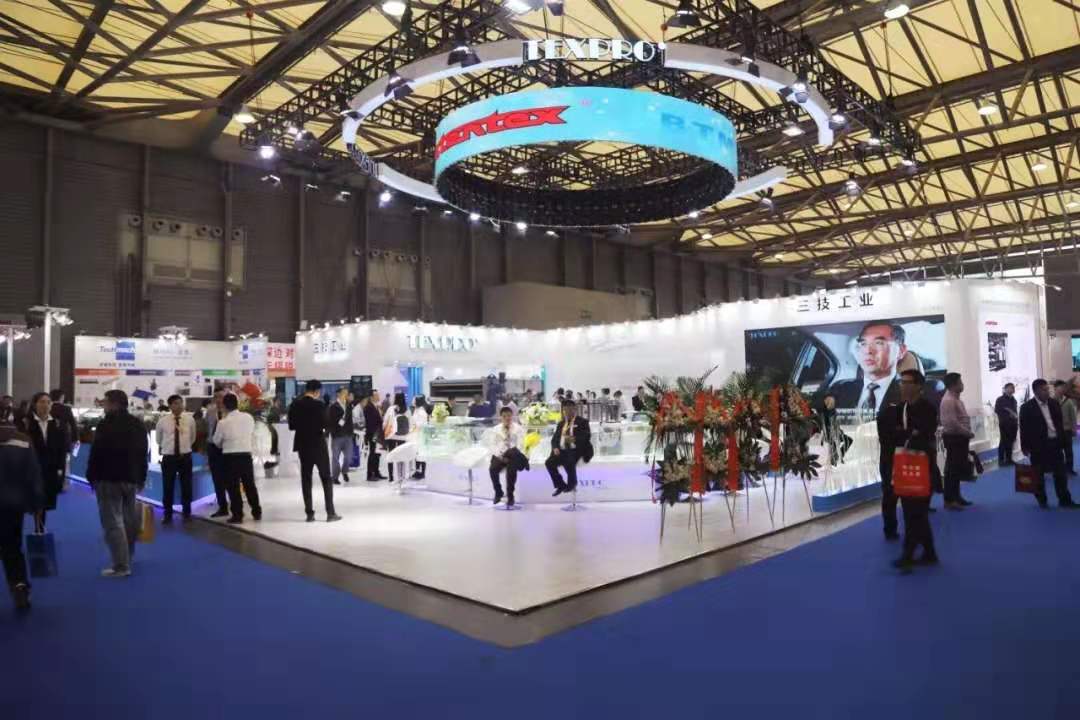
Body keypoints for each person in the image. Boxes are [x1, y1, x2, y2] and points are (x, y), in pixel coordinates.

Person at [879, 369, 939, 571]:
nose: (902, 386)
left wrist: (905, 434)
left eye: (907, 382)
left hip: (923, 467)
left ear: (918, 385)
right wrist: (908, 433)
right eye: (901, 382)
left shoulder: (928, 408)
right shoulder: (899, 409)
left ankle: (908, 554)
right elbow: (890, 435)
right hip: (903, 467)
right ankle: (929, 552)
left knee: (916, 512)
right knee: (912, 512)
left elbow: (922, 436)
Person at [86, 390, 148, 578]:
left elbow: (97, 452)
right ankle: (128, 556)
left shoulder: (105, 424)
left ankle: (121, 565)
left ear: (114, 403)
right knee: (129, 520)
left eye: (105, 402)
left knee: (112, 522)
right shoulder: (138, 424)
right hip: (131, 478)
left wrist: (91, 475)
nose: (103, 405)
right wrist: (141, 477)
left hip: (108, 478)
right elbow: (143, 453)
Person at [0, 413, 44, 611]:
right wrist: (37, 504)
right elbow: (33, 475)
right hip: (13, 504)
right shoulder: (23, 441)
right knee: (12, 548)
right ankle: (19, 588)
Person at [1020, 379, 1078, 509]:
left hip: (1055, 443)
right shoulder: (1026, 408)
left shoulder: (1053, 403)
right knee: (1038, 476)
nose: (1047, 392)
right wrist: (1024, 446)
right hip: (1038, 446)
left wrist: (1062, 439)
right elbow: (1024, 428)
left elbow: (1059, 423)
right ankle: (1042, 500)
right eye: (1044, 389)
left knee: (1061, 474)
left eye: (1048, 389)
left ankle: (1064, 500)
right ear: (1036, 391)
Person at [288, 380, 341, 522]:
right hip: (318, 444)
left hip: (303, 445)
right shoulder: (320, 405)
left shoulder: (295, 404)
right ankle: (330, 513)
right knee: (326, 478)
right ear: (317, 391)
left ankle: (309, 514)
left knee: (306, 478)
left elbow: (291, 426)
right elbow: (326, 423)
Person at [827, 321, 906, 414]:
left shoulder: (911, 393)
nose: (868, 351)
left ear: (901, 351)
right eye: (863, 344)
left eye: (879, 343)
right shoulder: (841, 388)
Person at [213, 393, 262, 524]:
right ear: (237, 404)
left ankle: (238, 515)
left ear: (224, 406)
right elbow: (252, 433)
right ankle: (257, 511)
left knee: (233, 487)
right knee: (249, 485)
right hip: (246, 455)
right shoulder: (248, 417)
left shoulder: (222, 422)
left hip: (230, 457)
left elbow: (216, 441)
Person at [23, 392, 66, 529]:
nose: (45, 405)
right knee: (29, 501)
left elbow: (61, 450)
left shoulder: (57, 423)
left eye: (48, 402)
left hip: (50, 469)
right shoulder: (25, 423)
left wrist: (61, 471)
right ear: (35, 404)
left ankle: (39, 529)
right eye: (42, 401)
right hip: (30, 468)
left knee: (44, 501)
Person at [155, 394, 195, 522]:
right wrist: (168, 448)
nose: (180, 406)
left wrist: (184, 448)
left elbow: (192, 437)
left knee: (187, 485)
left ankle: (187, 513)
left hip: (185, 457)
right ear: (170, 406)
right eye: (176, 403)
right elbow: (158, 439)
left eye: (181, 403)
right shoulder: (163, 421)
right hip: (169, 458)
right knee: (168, 486)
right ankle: (167, 514)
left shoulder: (190, 420)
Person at [939, 372, 974, 509]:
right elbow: (952, 423)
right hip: (954, 438)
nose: (962, 385)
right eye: (960, 382)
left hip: (960, 438)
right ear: (954, 385)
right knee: (952, 470)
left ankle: (956, 496)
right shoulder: (949, 400)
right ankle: (949, 499)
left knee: (957, 469)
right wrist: (967, 433)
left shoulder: (956, 399)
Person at [546, 399, 593, 496]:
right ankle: (560, 485)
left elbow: (586, 436)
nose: (567, 412)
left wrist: (573, 439)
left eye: (569, 410)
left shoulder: (582, 422)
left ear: (574, 409)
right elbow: (554, 439)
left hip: (577, 449)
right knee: (549, 463)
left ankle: (572, 484)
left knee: (568, 459)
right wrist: (555, 448)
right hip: (562, 449)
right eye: (565, 410)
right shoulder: (561, 423)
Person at [488, 406, 525, 507]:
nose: (507, 418)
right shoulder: (495, 429)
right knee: (492, 469)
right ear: (501, 417)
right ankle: (498, 492)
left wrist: (512, 452)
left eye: (509, 416)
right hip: (500, 454)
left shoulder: (518, 428)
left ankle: (510, 495)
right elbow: (492, 445)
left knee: (511, 471)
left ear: (512, 416)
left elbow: (521, 445)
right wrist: (500, 456)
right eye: (504, 416)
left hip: (513, 454)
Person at [204, 390, 230, 518]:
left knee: (230, 478)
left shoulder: (231, 412)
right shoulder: (210, 412)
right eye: (216, 397)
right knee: (217, 479)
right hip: (212, 447)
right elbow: (207, 429)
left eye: (221, 397)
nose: (219, 399)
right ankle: (222, 507)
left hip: (227, 447)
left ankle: (235, 506)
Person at [328, 387, 354, 485]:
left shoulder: (349, 405)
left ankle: (345, 471)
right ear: (338, 394)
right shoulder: (333, 406)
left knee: (348, 456)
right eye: (344, 393)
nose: (345, 395)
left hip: (348, 435)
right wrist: (333, 433)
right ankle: (335, 477)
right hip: (337, 436)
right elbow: (331, 422)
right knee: (335, 457)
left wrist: (351, 432)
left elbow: (350, 420)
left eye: (346, 393)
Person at [382, 393, 409, 483]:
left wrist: (384, 431)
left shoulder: (391, 409)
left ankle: (391, 477)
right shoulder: (407, 410)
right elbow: (410, 422)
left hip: (392, 435)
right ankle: (401, 476)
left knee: (391, 455)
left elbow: (385, 421)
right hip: (403, 437)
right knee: (401, 456)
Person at [1054, 381, 1077, 475]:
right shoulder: (1050, 401)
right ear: (1055, 388)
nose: (1063, 389)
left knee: (1069, 451)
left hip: (1067, 430)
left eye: (1064, 387)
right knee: (1056, 452)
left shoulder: (1068, 401)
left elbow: (1073, 416)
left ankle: (1069, 469)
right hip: (1055, 431)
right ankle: (1058, 469)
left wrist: (1074, 429)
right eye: (1061, 387)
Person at [822, 394, 853, 466]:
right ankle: (834, 459)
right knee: (836, 444)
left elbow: (835, 423)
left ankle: (838, 457)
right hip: (830, 434)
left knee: (848, 440)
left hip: (835, 432)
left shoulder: (833, 411)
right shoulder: (825, 412)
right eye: (832, 401)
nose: (834, 403)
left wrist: (839, 430)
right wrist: (831, 433)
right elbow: (826, 425)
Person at [995, 383, 1019, 467]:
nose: (1012, 389)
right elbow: (997, 410)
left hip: (1013, 424)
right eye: (1010, 387)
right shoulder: (1000, 399)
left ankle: (1009, 459)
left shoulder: (1014, 400)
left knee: (1011, 441)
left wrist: (1015, 419)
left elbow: (1015, 412)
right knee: (1003, 442)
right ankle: (1001, 460)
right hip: (1005, 424)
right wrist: (1008, 415)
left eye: (1013, 388)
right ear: (1005, 389)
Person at [363, 390, 385, 481]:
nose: (378, 396)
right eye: (376, 395)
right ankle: (370, 474)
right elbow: (370, 422)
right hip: (373, 434)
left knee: (377, 453)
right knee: (372, 453)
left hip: (378, 433)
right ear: (371, 397)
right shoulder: (368, 407)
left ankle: (376, 472)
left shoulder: (376, 406)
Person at [411, 395, 430, 480]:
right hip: (416, 435)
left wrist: (414, 426)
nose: (413, 401)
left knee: (422, 454)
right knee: (417, 454)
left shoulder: (421, 412)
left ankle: (422, 472)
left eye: (414, 400)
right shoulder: (416, 410)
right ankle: (417, 470)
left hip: (421, 435)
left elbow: (421, 424)